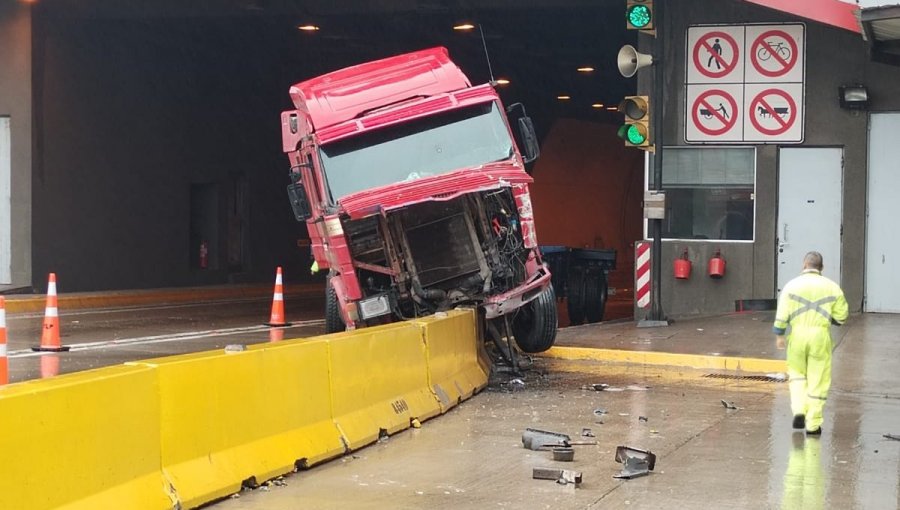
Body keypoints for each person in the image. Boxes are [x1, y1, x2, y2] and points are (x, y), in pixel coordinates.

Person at [773, 251, 848, 436]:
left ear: (804, 265)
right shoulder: (832, 287)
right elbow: (842, 316)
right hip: (819, 337)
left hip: (797, 336)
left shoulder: (791, 286)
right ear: (821, 268)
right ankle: (813, 425)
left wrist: (780, 335)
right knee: (818, 380)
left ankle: (799, 410)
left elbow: (782, 313)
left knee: (797, 376)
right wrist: (828, 319)